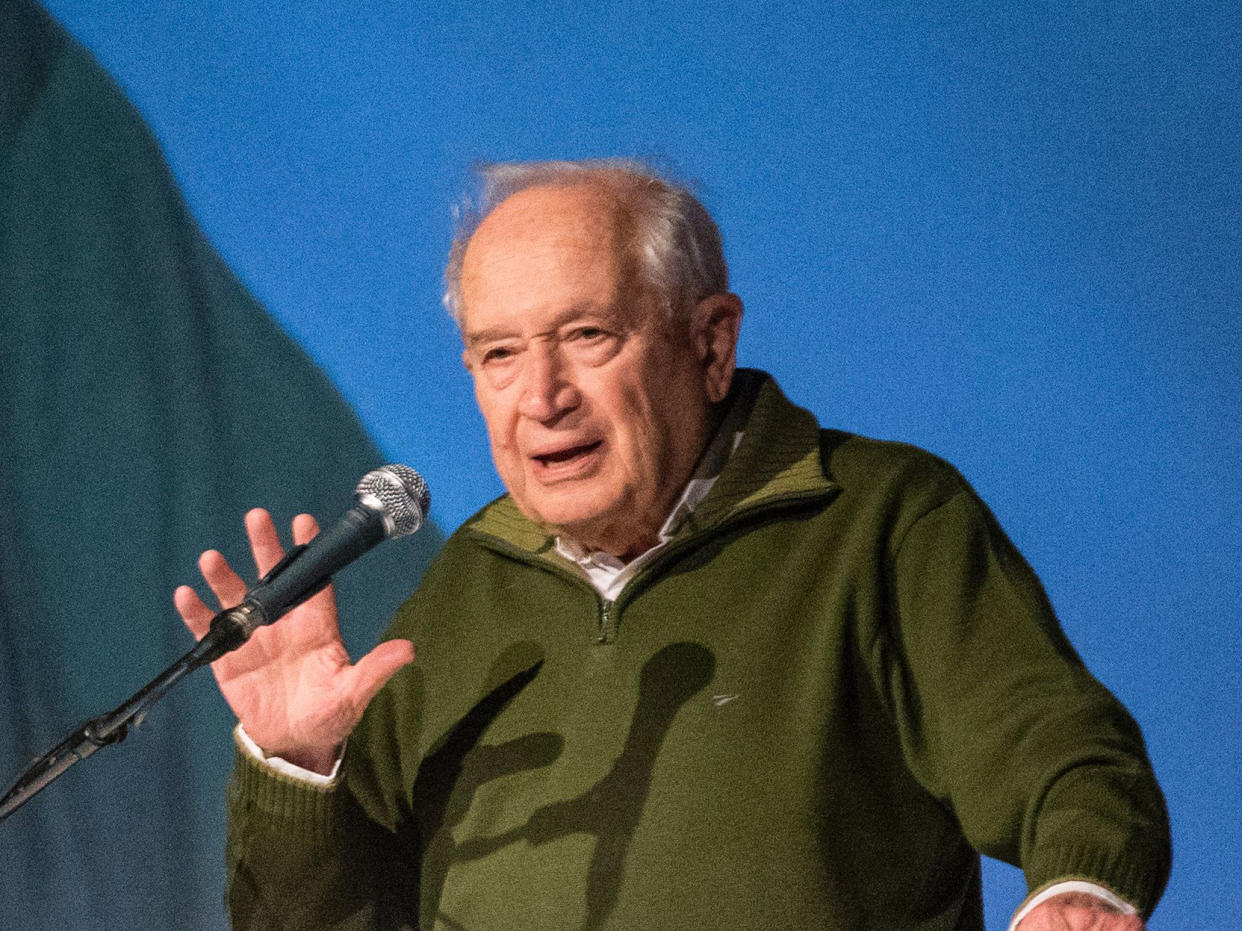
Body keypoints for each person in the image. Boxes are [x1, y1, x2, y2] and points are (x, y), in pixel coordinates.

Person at [176, 160, 1170, 929]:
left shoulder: (878, 522)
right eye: (500, 354)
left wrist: (1079, 884)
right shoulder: (465, 588)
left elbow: (1061, 752)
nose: (542, 397)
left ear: (710, 342)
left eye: (589, 336)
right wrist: (295, 766)